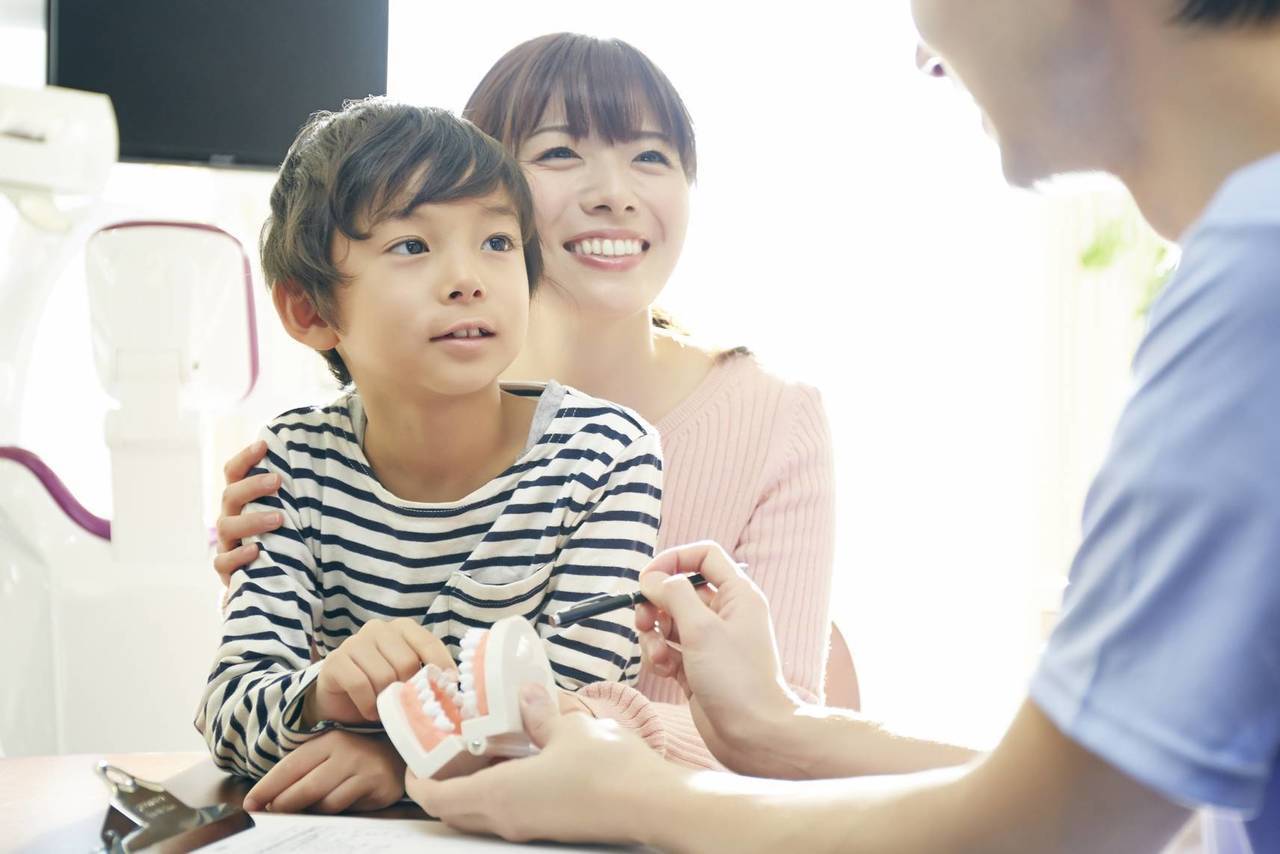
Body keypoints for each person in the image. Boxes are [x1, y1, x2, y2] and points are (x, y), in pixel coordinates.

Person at [404, 1, 1280, 850]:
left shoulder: (1258, 279)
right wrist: (780, 726)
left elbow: (1064, 824)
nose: (921, 53)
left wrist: (647, 794)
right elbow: (1166, 808)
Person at [212, 33, 841, 770]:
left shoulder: (731, 428)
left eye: (650, 155)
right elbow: (261, 696)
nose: (614, 191)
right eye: (559, 153)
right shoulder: (326, 446)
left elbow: (777, 735)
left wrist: (411, 759)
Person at [195, 98, 664, 814]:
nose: (467, 278)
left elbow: (575, 716)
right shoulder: (289, 466)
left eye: (498, 243)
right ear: (310, 311)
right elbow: (230, 713)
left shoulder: (606, 456)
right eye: (412, 246)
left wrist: (397, 754)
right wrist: (324, 687)